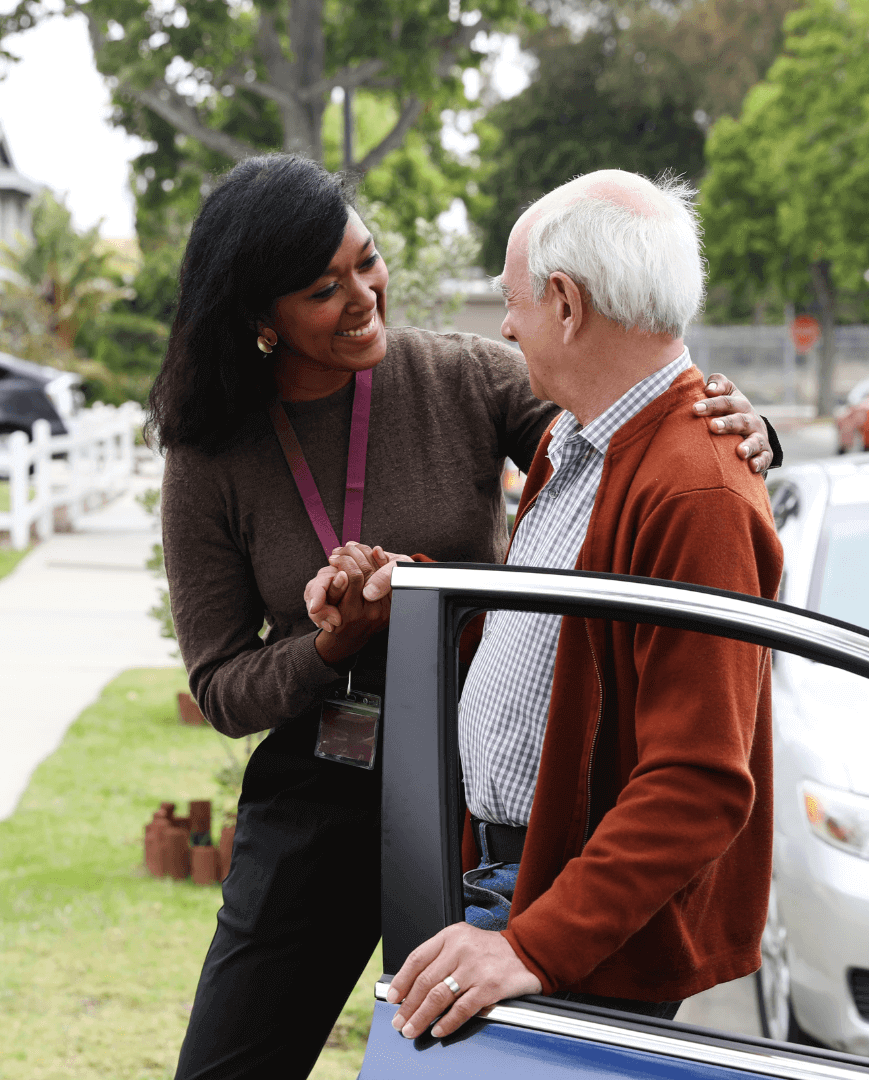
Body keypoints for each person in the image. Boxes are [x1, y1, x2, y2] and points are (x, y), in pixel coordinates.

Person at [151, 153, 777, 1078]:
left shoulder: (471, 377)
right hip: (330, 779)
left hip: (475, 794)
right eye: (325, 288)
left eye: (367, 261)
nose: (364, 294)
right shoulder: (211, 456)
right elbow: (223, 687)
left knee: (446, 1054)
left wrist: (738, 427)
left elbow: (631, 424)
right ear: (260, 320)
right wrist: (335, 642)